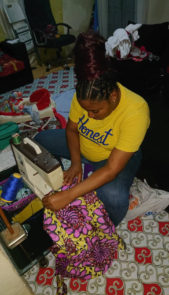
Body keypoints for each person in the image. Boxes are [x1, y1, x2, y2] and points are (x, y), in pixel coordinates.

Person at [34, 30, 150, 227]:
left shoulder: (136, 110)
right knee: (39, 141)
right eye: (86, 110)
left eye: (95, 111)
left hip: (112, 156)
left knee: (112, 196)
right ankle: (81, 167)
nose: (89, 116)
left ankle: (104, 227)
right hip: (83, 145)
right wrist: (76, 163)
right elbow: (71, 129)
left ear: (113, 96)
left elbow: (112, 169)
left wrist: (69, 195)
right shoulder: (85, 95)